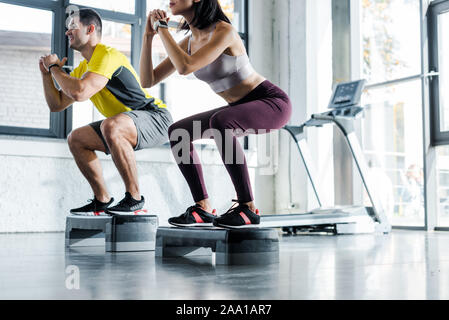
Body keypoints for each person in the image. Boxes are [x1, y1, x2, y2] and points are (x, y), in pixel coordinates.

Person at [140, 0, 292, 228]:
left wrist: (162, 29)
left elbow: (185, 67)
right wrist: (148, 36)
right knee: (179, 132)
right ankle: (202, 207)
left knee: (220, 121)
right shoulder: (189, 41)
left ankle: (247, 207)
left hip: (270, 102)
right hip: (237, 109)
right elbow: (148, 80)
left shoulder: (224, 31)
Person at [40, 8, 173, 216]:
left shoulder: (106, 54)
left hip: (156, 118)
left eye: (73, 27)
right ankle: (102, 199)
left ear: (90, 29)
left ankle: (135, 197)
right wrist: (47, 74)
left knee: (111, 125)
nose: (67, 32)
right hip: (126, 124)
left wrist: (55, 69)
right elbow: (56, 104)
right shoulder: (84, 67)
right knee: (76, 138)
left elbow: (80, 92)